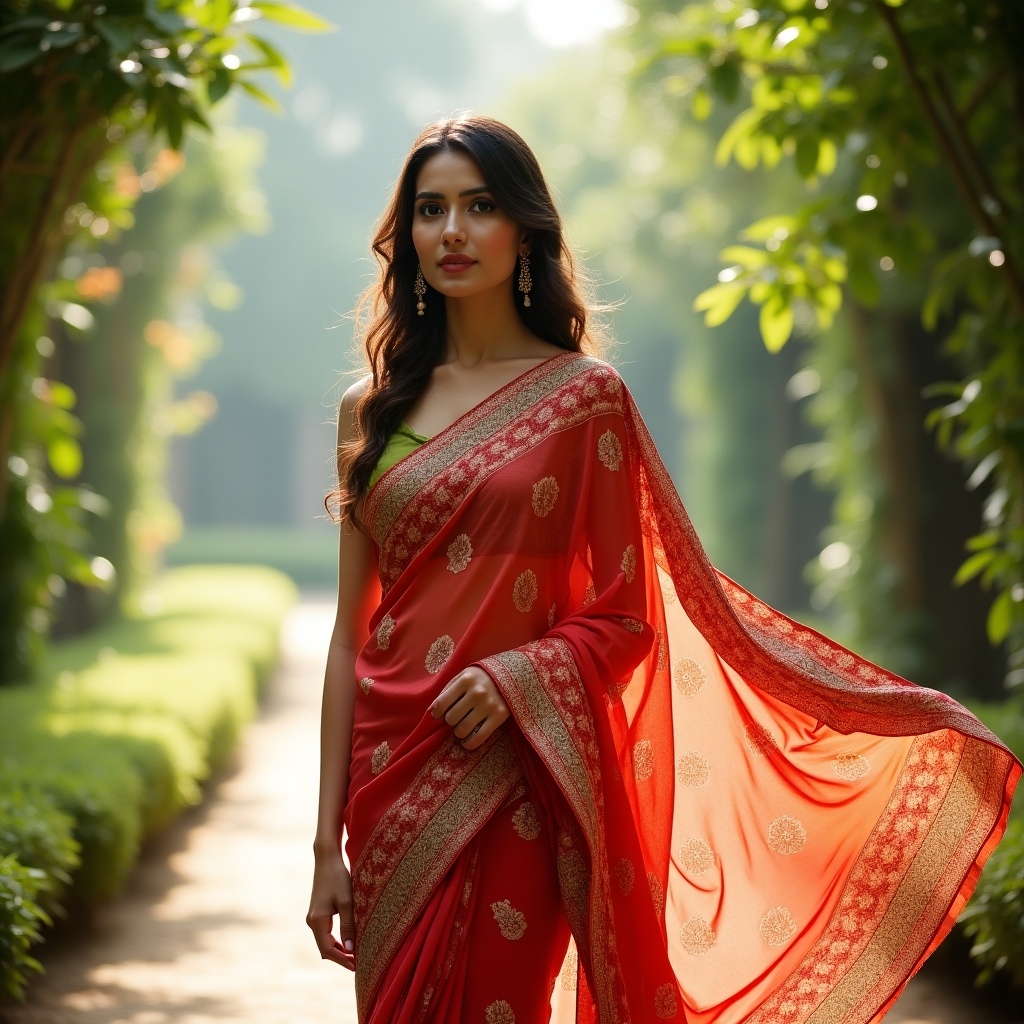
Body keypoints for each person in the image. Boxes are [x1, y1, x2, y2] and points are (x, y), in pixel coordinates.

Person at [306, 114, 1020, 1024]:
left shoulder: (581, 399)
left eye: (480, 207)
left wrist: (518, 675)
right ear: (405, 233)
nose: (452, 232)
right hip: (390, 778)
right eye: (430, 209)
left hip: (515, 774)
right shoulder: (368, 408)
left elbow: (627, 616)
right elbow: (348, 636)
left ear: (524, 227)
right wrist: (326, 843)